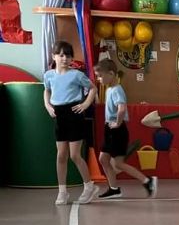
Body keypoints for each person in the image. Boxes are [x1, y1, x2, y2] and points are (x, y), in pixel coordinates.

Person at [43, 41, 99, 205]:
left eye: (68, 55)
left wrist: (85, 104)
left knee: (75, 155)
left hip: (74, 114)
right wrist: (48, 106)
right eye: (61, 55)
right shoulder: (49, 75)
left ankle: (89, 186)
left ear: (71, 58)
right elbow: (47, 90)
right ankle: (62, 191)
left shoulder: (76, 75)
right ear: (54, 56)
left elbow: (93, 88)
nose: (64, 58)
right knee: (61, 155)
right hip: (59, 114)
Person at [93, 59, 157, 199]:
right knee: (104, 159)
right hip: (110, 129)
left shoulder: (117, 90)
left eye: (100, 76)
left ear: (111, 74)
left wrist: (117, 123)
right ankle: (114, 188)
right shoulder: (109, 89)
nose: (98, 79)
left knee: (118, 163)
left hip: (117, 130)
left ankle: (147, 181)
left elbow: (121, 109)